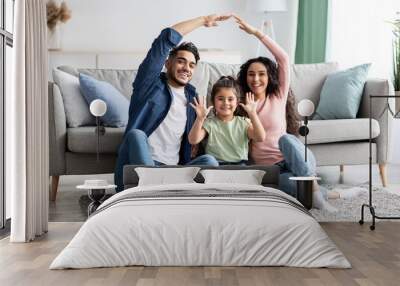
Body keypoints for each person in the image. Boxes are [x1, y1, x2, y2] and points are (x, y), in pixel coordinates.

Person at [233, 15, 340, 211]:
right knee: (292, 187)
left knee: (287, 139)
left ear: (269, 76)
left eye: (261, 73)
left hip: (294, 158)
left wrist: (256, 33)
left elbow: (283, 59)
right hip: (271, 170)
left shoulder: (278, 95)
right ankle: (333, 193)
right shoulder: (240, 104)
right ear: (245, 78)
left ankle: (315, 191)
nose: (256, 78)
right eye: (251, 74)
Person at [114, 14, 231, 192]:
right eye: (181, 61)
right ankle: (157, 192)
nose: (186, 68)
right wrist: (203, 20)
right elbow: (164, 40)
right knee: (136, 135)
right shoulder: (149, 84)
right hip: (142, 168)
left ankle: (167, 193)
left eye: (192, 65)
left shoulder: (193, 98)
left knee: (210, 162)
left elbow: (193, 140)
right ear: (168, 63)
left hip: (173, 171)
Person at [188, 76, 266, 165]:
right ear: (213, 101)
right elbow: (193, 140)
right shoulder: (210, 122)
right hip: (215, 166)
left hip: (239, 166)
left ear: (237, 102)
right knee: (209, 160)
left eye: (230, 99)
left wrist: (253, 114)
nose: (226, 103)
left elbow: (260, 137)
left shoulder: (243, 122)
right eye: (220, 99)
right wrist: (200, 118)